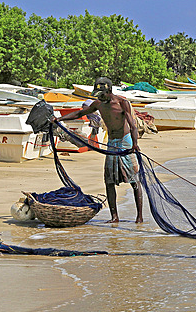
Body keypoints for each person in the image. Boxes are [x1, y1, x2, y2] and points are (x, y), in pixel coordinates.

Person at [55, 76, 144, 224]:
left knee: (134, 180)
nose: (100, 98)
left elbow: (133, 125)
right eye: (98, 95)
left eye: (102, 95)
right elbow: (79, 113)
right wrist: (59, 120)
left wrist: (135, 144)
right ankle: (114, 217)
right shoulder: (98, 104)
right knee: (109, 181)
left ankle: (139, 217)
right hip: (111, 142)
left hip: (125, 141)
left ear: (109, 91)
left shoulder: (122, 103)